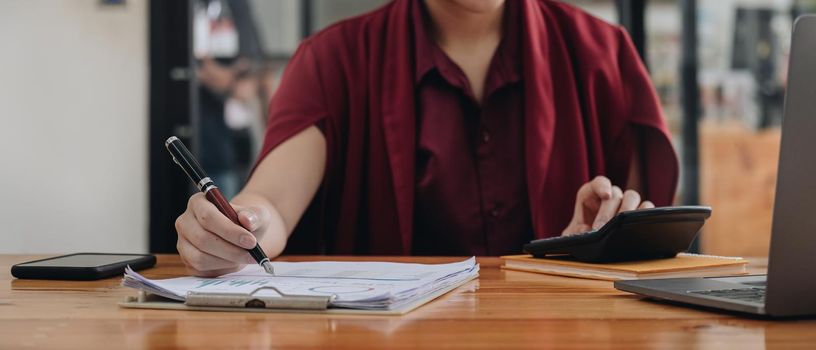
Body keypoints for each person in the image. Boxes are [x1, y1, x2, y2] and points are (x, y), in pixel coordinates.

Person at [174, 0, 679, 277]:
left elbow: (634, 232)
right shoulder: (334, 61)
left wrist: (593, 246)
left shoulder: (602, 56)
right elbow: (271, 207)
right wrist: (241, 229)